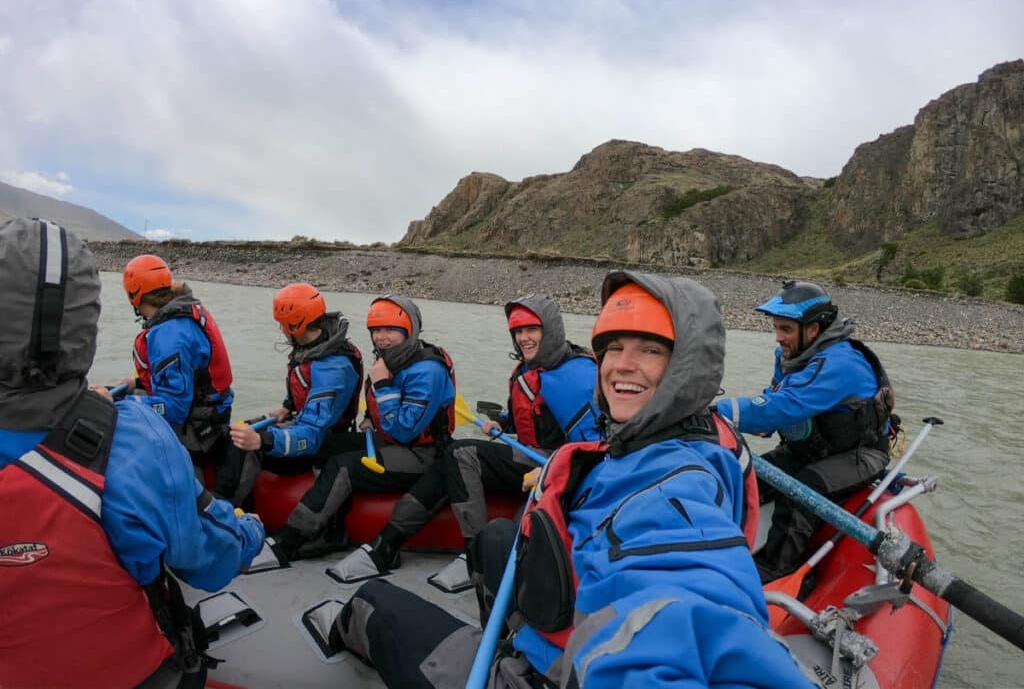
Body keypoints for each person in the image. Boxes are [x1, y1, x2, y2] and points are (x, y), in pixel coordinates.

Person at [328, 271, 814, 688]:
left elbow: (682, 594)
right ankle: (502, 636)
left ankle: (477, 645)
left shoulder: (674, 491)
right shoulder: (689, 435)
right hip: (564, 610)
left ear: (687, 367)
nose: (622, 364)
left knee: (372, 604)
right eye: (614, 348)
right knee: (496, 541)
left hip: (551, 674)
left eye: (649, 350)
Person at [0, 218, 265, 689]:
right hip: (129, 672)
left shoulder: (168, 334)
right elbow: (214, 563)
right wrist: (251, 531)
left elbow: (175, 399)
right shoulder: (139, 440)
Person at [330, 294, 601, 585]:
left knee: (461, 453)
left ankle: (476, 557)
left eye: (531, 330)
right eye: (518, 331)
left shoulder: (575, 376)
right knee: (452, 459)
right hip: (534, 457)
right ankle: (387, 544)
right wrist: (504, 421)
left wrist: (549, 470)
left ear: (551, 330)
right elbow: (537, 411)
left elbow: (593, 450)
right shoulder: (533, 366)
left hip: (553, 466)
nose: (524, 338)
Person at [716, 279, 894, 582]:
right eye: (777, 328)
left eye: (785, 330)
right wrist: (765, 421)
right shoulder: (790, 356)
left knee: (801, 491)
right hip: (810, 449)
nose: (778, 338)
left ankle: (773, 571)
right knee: (746, 476)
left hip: (858, 455)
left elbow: (786, 404)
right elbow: (776, 396)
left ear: (813, 329)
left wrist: (713, 411)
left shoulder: (842, 363)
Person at [269, 294, 456, 562]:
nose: (381, 337)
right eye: (376, 330)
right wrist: (370, 416)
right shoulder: (394, 358)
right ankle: (332, 533)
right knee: (327, 445)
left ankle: (290, 540)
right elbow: (389, 407)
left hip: (422, 454)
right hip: (393, 441)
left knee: (343, 466)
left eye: (391, 330)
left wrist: (382, 385)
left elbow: (405, 430)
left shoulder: (428, 370)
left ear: (410, 330)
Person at [227, 284, 363, 506]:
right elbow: (304, 388)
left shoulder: (333, 367)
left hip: (322, 442)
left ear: (295, 324)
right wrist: (288, 406)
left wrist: (262, 440)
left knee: (243, 448)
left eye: (282, 325)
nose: (281, 330)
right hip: (303, 422)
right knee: (233, 433)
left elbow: (311, 434)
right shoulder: (312, 346)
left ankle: (227, 512)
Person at [121, 253, 238, 497]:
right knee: (132, 397)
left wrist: (124, 404)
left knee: (123, 415)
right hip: (210, 414)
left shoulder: (168, 334)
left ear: (134, 295)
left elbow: (174, 408)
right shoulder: (184, 310)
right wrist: (137, 383)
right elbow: (190, 374)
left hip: (198, 431)